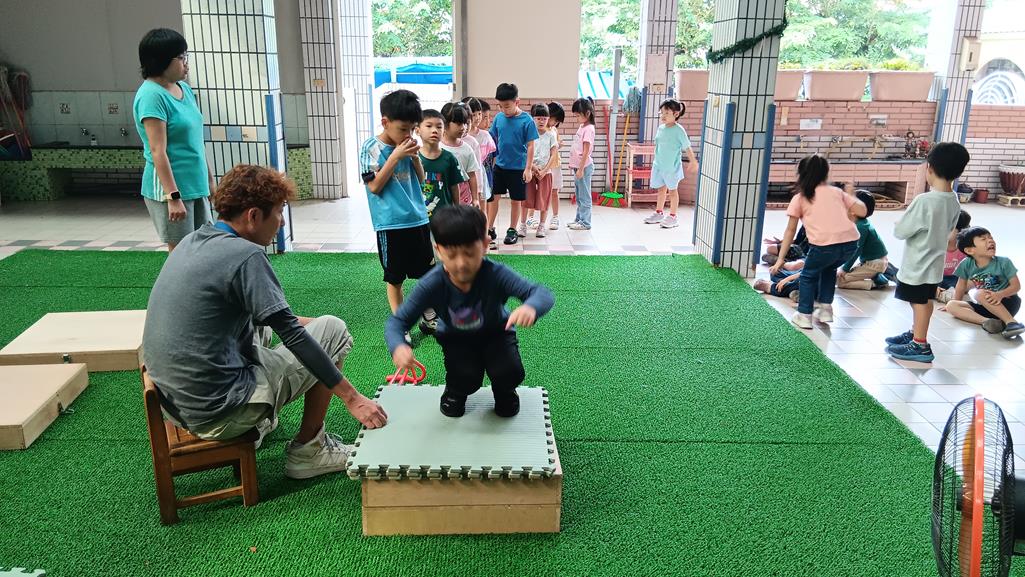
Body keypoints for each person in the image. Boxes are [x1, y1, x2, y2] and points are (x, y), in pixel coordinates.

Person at [142, 165, 387, 480]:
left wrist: (312, 331)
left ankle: (260, 423)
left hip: (178, 405)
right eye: (279, 212)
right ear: (254, 216)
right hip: (219, 413)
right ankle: (309, 451)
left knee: (277, 329)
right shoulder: (245, 256)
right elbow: (293, 335)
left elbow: (274, 319)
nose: (282, 222)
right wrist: (352, 398)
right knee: (334, 330)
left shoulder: (194, 240)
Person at [385, 205, 554, 418]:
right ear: (438, 250)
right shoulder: (432, 283)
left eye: (469, 253)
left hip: (496, 334)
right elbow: (397, 322)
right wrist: (398, 346)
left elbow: (540, 293)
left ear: (484, 245)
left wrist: (531, 306)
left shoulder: (496, 274)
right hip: (456, 339)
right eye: (451, 254)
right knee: (466, 378)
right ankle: (455, 391)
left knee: (509, 372)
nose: (462, 263)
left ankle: (504, 392)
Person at [133, 28, 217, 252]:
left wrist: (209, 180)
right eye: (181, 58)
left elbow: (195, 142)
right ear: (161, 61)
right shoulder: (151, 96)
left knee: (203, 247)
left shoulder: (184, 90)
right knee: (182, 253)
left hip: (195, 184)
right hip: (172, 189)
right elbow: (157, 151)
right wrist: (173, 197)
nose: (186, 64)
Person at [359, 89, 433, 342]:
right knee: (395, 278)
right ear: (385, 122)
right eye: (403, 129)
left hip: (418, 218)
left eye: (412, 129)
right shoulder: (371, 147)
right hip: (391, 224)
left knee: (427, 274)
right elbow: (375, 186)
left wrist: (415, 158)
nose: (408, 135)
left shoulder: (408, 145)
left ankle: (429, 316)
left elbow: (421, 180)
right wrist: (395, 156)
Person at [885, 142, 968, 363]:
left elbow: (902, 231)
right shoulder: (953, 200)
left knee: (919, 302)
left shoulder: (925, 201)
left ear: (929, 168)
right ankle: (915, 333)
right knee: (924, 299)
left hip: (918, 263)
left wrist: (898, 223)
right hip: (934, 262)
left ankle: (920, 344)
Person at [770, 155, 866, 329]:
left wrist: (780, 259)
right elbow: (862, 211)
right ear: (826, 173)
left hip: (824, 247)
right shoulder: (837, 192)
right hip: (851, 244)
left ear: (801, 174)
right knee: (829, 269)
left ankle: (804, 315)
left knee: (808, 276)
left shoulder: (801, 198)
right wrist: (851, 195)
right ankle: (825, 309)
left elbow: (790, 230)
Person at [943, 227, 1025, 338]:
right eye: (983, 239)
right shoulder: (966, 264)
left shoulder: (1004, 262)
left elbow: (1016, 286)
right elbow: (961, 286)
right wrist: (956, 301)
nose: (990, 241)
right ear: (970, 250)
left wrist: (1000, 295)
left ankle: (1011, 322)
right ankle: (989, 322)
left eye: (990, 238)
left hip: (1007, 302)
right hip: (984, 305)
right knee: (951, 305)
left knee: (979, 293)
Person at [488, 83, 539, 248]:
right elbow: (491, 139)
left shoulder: (527, 121)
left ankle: (512, 230)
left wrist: (528, 168)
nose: (503, 110)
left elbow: (531, 146)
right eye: (500, 106)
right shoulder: (499, 118)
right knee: (493, 198)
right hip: (499, 166)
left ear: (517, 102)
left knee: (515, 200)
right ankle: (490, 228)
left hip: (518, 168)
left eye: (507, 106)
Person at [642, 99, 698, 229]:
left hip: (672, 167)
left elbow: (687, 146)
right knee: (661, 190)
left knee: (673, 191)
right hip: (659, 166)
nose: (663, 115)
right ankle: (659, 213)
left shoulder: (679, 130)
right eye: (662, 112)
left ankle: (673, 217)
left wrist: (693, 161)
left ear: (676, 114)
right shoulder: (661, 128)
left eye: (667, 113)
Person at [836, 190, 889, 290]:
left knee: (841, 281)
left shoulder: (860, 227)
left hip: (874, 264)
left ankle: (877, 283)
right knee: (840, 276)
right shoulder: (861, 222)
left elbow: (856, 251)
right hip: (873, 262)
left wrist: (844, 268)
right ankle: (879, 274)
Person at [519, 104, 558, 239]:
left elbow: (553, 155)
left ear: (548, 119)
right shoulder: (528, 134)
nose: (541, 121)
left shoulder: (551, 135)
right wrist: (533, 168)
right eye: (538, 118)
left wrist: (545, 170)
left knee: (544, 199)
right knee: (526, 198)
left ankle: (541, 225)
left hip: (545, 173)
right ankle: (522, 224)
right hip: (530, 171)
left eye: (544, 118)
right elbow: (524, 152)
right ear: (533, 119)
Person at [417, 109, 465, 217]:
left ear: (444, 132)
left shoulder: (449, 158)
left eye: (439, 127)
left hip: (444, 217)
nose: (434, 130)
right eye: (429, 126)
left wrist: (457, 209)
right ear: (417, 130)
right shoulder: (413, 157)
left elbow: (454, 187)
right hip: (419, 217)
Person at [439, 102, 480, 207]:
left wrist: (475, 199)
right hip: (442, 196)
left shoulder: (467, 149)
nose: (463, 128)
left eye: (465, 123)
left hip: (464, 198)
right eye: (458, 124)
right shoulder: (437, 146)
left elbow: (472, 175)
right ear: (445, 124)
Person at [462, 96, 496, 213]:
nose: (477, 118)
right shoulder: (460, 136)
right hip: (462, 175)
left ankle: (484, 226)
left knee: (481, 208)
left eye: (479, 114)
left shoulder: (485, 135)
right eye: (473, 115)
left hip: (479, 174)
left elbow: (490, 158)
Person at [567, 97, 597, 231]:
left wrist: (580, 169)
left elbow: (585, 152)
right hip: (578, 167)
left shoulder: (589, 129)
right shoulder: (582, 126)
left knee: (584, 196)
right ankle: (579, 219)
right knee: (579, 196)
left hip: (583, 167)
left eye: (578, 115)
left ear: (587, 113)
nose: (577, 118)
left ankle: (585, 222)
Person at [936, 209, 972, 303]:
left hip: (955, 279)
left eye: (948, 229)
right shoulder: (935, 246)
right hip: (935, 277)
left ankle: (947, 292)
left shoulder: (966, 248)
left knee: (971, 281)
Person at [546, 101, 566, 230]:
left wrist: (559, 145)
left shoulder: (554, 130)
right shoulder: (541, 129)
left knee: (555, 192)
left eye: (558, 121)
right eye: (555, 119)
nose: (556, 123)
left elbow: (555, 146)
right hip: (544, 166)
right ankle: (531, 217)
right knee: (539, 193)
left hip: (555, 164)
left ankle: (555, 217)